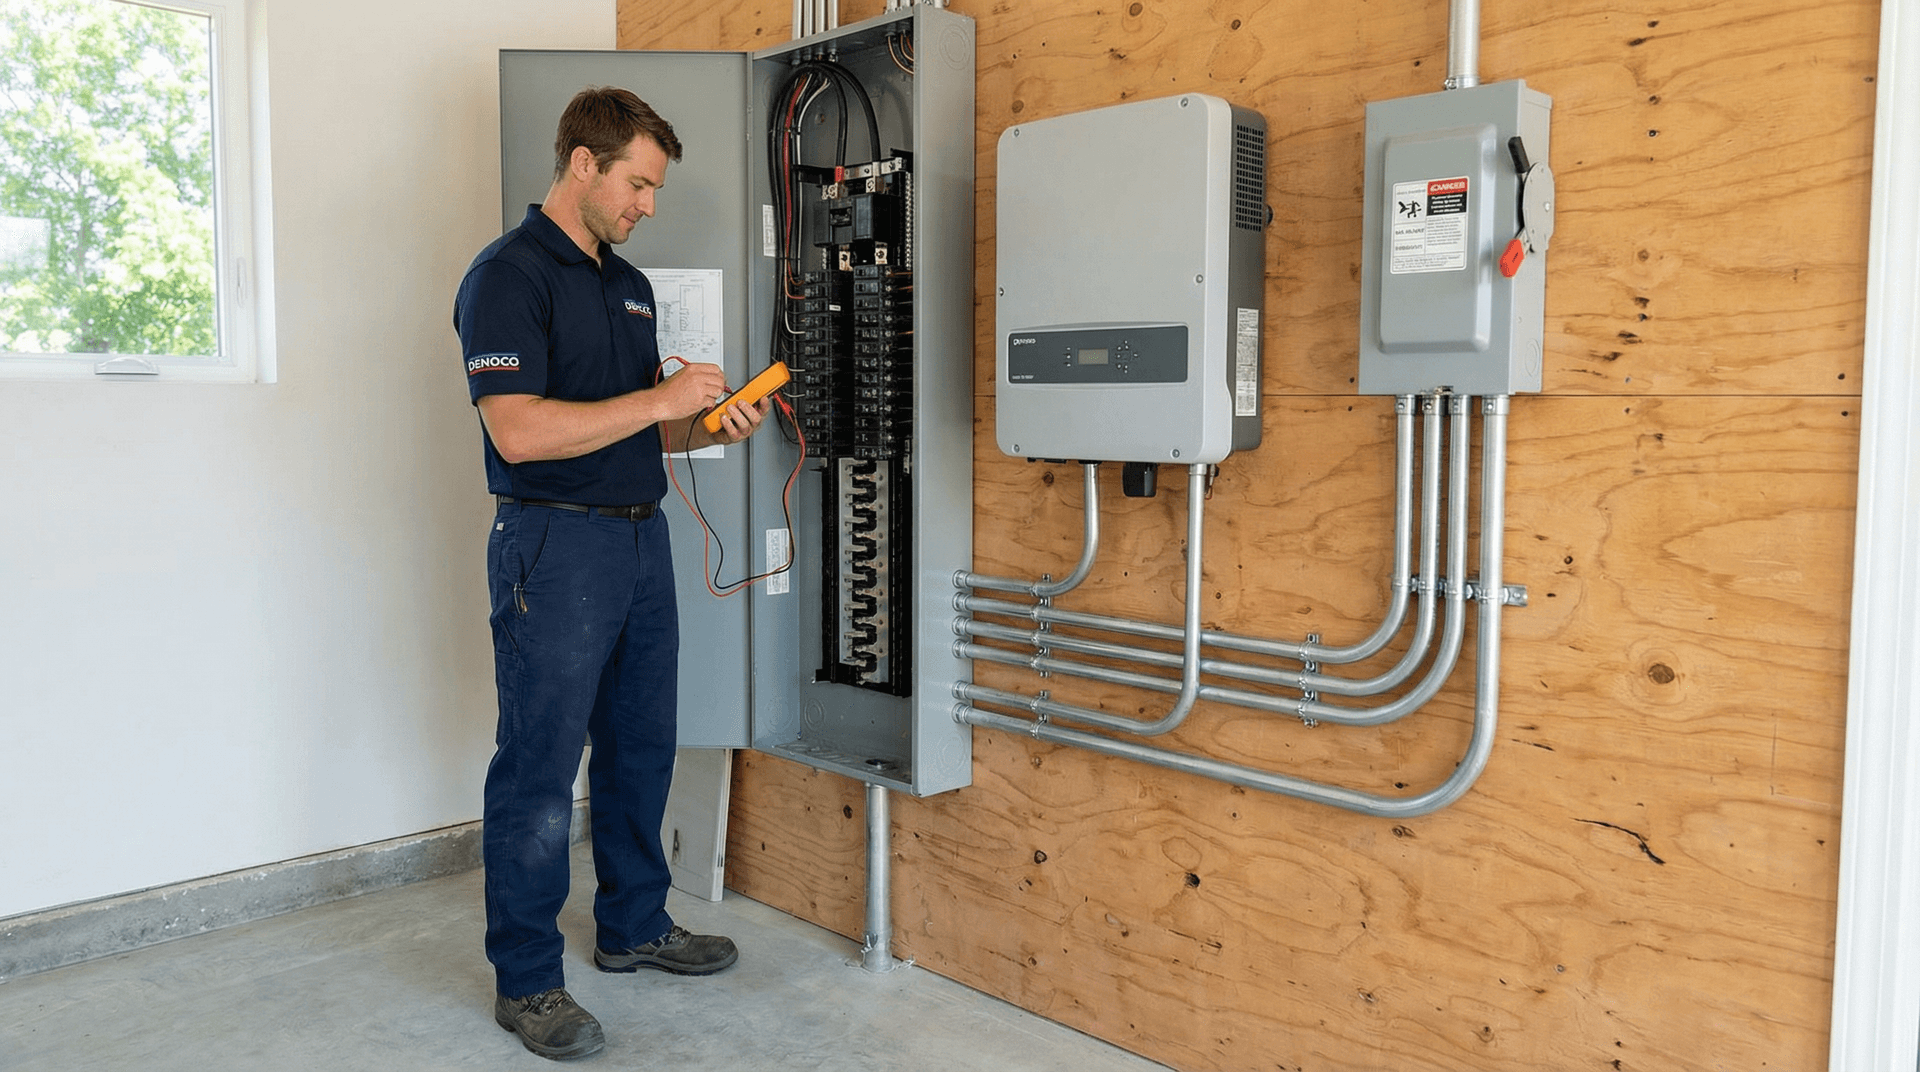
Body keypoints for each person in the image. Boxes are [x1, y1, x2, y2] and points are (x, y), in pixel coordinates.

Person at [452, 86, 769, 1062]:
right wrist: (658, 397)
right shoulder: (506, 277)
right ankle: (529, 981)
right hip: (554, 546)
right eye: (637, 182)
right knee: (541, 772)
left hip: (638, 540)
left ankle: (634, 925)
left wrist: (704, 420)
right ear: (582, 164)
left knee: (642, 748)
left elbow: (642, 419)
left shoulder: (627, 284)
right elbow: (519, 427)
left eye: (654, 187)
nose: (648, 203)